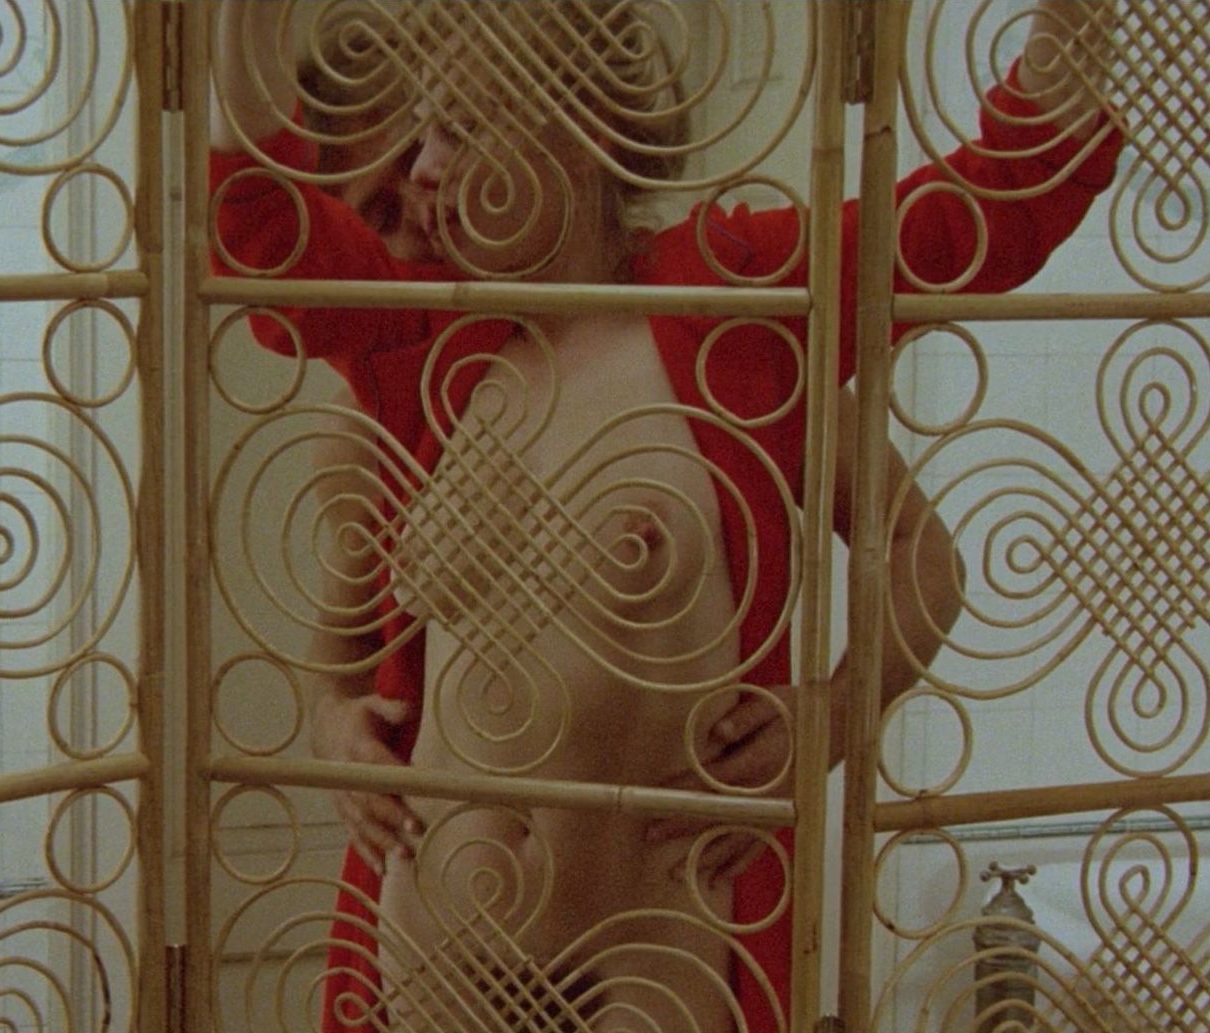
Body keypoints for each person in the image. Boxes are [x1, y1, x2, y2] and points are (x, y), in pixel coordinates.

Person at [210, 3, 1122, 1030]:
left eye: (457, 129)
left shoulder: (740, 303)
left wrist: (828, 715)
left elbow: (984, 214)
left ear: (578, 131)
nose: (422, 170)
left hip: (658, 941)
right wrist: (336, 726)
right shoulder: (423, 336)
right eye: (424, 133)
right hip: (434, 932)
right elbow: (258, 224)